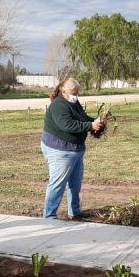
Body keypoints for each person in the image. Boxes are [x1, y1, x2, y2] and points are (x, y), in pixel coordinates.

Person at [40, 77, 103, 219]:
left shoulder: (73, 102)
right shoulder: (58, 105)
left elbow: (82, 117)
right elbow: (67, 125)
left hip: (75, 150)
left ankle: (74, 212)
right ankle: (49, 217)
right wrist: (90, 126)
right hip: (60, 150)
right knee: (57, 184)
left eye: (77, 93)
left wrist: (95, 121)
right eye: (74, 93)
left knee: (75, 184)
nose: (76, 96)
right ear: (63, 91)